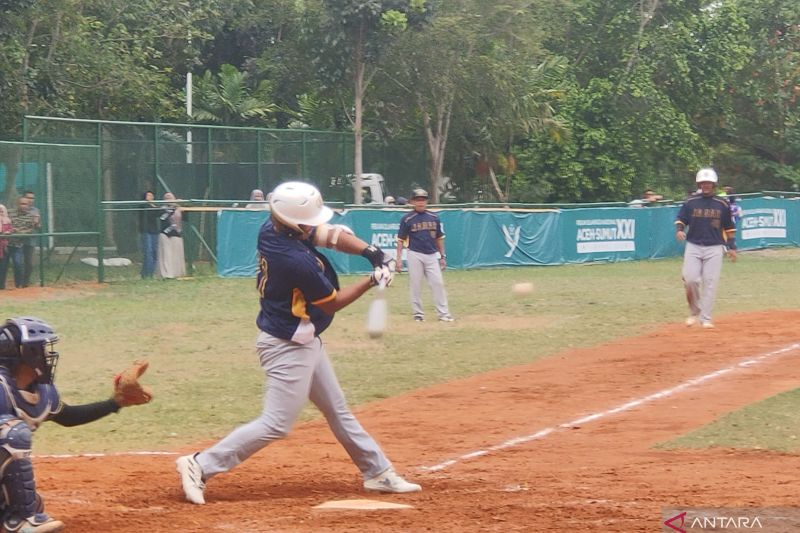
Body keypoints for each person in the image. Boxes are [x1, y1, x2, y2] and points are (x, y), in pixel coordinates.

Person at [176, 181, 420, 505]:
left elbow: (329, 235)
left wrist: (374, 254)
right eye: (307, 220)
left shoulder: (274, 228)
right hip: (287, 346)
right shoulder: (293, 259)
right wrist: (371, 280)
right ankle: (200, 464)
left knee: (337, 409)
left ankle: (377, 472)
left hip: (303, 339)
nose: (313, 225)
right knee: (276, 423)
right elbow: (330, 303)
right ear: (292, 221)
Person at [0, 316, 152, 532]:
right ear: (27, 353)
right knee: (12, 433)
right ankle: (21, 522)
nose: (48, 354)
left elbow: (68, 416)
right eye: (43, 347)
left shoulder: (41, 393)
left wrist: (114, 403)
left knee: (30, 501)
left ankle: (14, 518)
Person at [675, 168, 737, 328]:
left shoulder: (722, 204)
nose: (706, 185)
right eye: (703, 183)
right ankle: (694, 311)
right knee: (690, 280)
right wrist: (680, 230)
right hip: (694, 245)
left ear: (714, 184)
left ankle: (706, 318)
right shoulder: (690, 202)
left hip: (715, 247)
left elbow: (729, 227)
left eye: (709, 183)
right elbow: (681, 218)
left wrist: (731, 246)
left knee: (710, 282)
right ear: (699, 184)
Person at [395, 188, 454, 322]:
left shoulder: (434, 218)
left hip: (432, 255)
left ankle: (444, 314)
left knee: (438, 283)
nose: (420, 202)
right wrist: (398, 259)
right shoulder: (407, 219)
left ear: (427, 201)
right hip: (414, 253)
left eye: (423, 200)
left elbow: (439, 238)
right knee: (415, 285)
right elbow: (400, 240)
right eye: (418, 200)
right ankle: (418, 314)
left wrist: (443, 256)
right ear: (412, 202)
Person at [10, 195, 40, 288]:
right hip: (14, 243)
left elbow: (35, 228)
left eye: (25, 204)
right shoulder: (10, 213)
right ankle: (18, 284)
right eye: (21, 203)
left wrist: (36, 222)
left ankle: (25, 284)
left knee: (29, 264)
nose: (23, 205)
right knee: (18, 263)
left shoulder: (33, 214)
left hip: (28, 242)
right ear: (17, 204)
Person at [157, 192, 186, 279]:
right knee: (166, 254)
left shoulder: (179, 209)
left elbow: (185, 217)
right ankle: (167, 274)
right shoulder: (162, 209)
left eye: (170, 197)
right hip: (165, 234)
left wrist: (181, 205)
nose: (169, 198)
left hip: (176, 233)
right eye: (166, 197)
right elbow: (163, 217)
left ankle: (177, 273)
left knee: (176, 254)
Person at [138, 191, 160, 279]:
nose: (151, 196)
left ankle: (148, 273)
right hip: (146, 232)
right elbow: (146, 209)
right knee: (148, 252)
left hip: (154, 232)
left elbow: (159, 213)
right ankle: (148, 274)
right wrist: (150, 204)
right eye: (148, 195)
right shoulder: (143, 205)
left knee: (154, 253)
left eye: (152, 195)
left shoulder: (154, 206)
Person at [0, 204, 15, 290]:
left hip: (4, 247)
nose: (1, 213)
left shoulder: (8, 221)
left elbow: (11, 230)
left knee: (3, 266)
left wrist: (8, 232)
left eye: (2, 211)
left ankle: (2, 285)